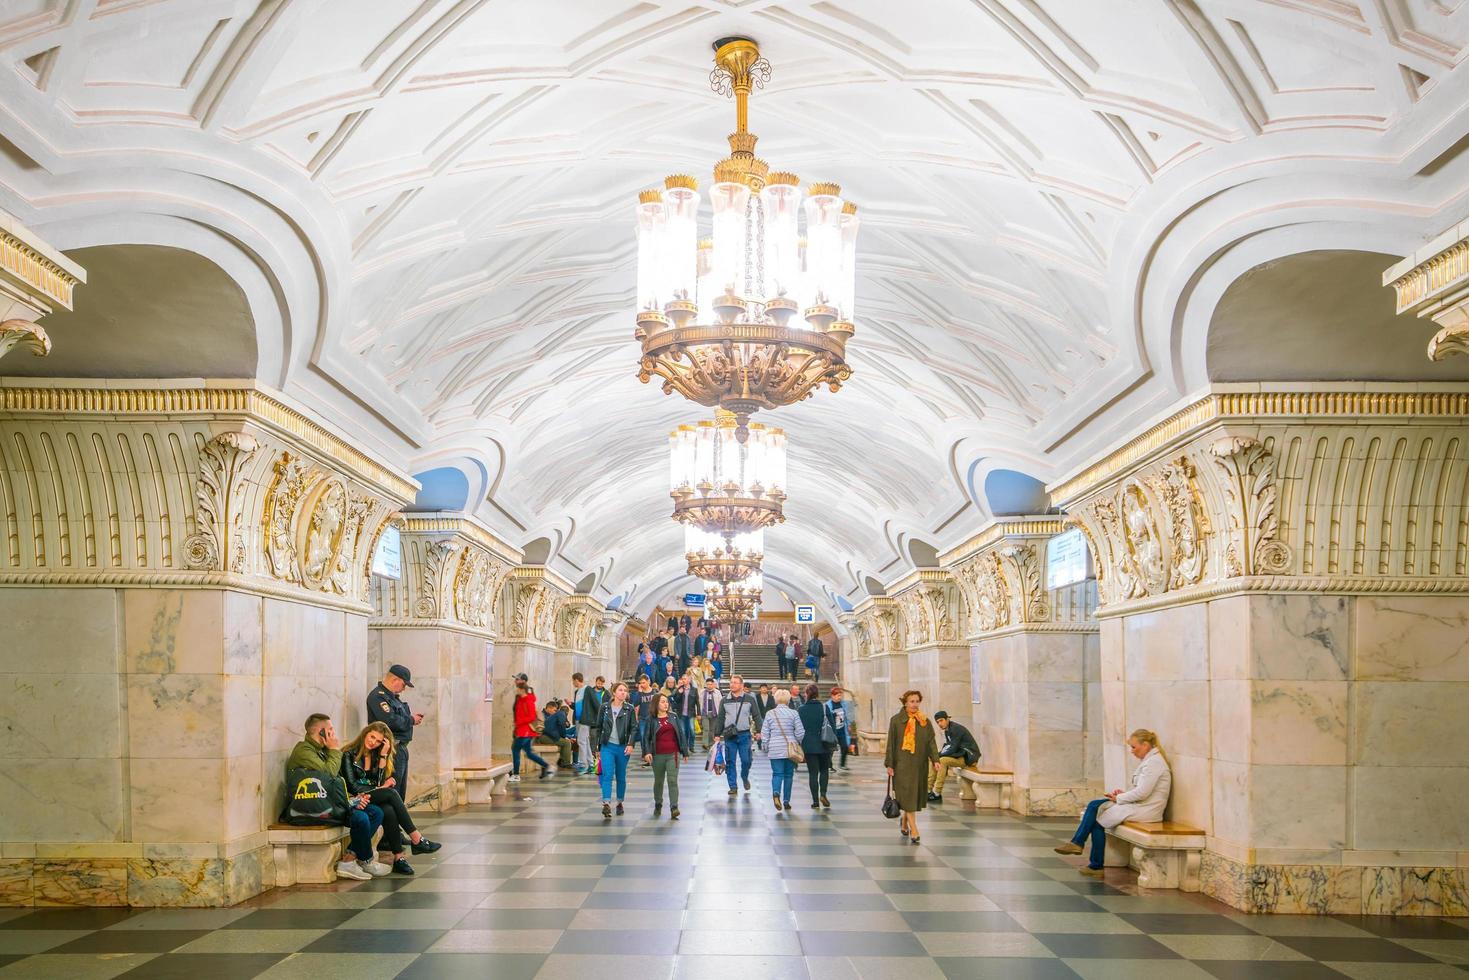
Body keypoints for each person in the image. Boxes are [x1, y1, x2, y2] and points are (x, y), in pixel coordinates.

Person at [1055, 729, 1172, 877]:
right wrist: (1122, 794)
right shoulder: (1150, 761)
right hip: (1139, 805)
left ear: (1146, 745)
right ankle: (1083, 851)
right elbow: (1141, 790)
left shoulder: (1154, 763)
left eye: (1134, 747)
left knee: (1097, 819)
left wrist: (1119, 799)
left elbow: (1143, 793)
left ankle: (1086, 854)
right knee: (1095, 806)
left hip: (1146, 810)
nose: (1132, 751)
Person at [286, 713, 387, 881]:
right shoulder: (304, 750)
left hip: (329, 802)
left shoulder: (323, 751)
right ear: (321, 732)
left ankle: (350, 860)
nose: (334, 733)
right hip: (315, 808)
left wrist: (354, 799)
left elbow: (337, 783)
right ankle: (363, 860)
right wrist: (334, 749)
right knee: (361, 818)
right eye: (331, 729)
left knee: (376, 812)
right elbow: (329, 775)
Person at [340, 722, 442, 874]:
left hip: (367, 797)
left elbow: (378, 783)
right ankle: (417, 839)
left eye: (378, 741)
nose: (373, 742)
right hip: (353, 798)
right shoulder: (348, 754)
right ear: (365, 733)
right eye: (371, 736)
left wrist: (382, 755)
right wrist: (380, 788)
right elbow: (353, 786)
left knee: (388, 809)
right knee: (391, 794)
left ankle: (399, 858)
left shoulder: (375, 754)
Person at [884, 690, 940, 845]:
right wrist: (889, 763)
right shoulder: (896, 721)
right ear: (905, 703)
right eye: (911, 701)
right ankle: (914, 829)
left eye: (917, 701)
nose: (915, 704)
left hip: (919, 764)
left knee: (912, 796)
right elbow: (891, 744)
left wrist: (935, 759)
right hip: (901, 765)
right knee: (907, 795)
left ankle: (904, 821)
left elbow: (931, 742)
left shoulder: (924, 721)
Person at [367, 664, 421, 800]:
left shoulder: (391, 697)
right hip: (391, 749)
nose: (403, 689)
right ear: (394, 680)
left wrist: (410, 719)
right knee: (393, 791)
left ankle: (398, 819)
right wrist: (411, 720)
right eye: (403, 685)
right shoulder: (378, 697)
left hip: (399, 748)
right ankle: (392, 820)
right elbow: (390, 721)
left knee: (400, 791)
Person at [641, 693, 692, 818]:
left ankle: (674, 807)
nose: (666, 704)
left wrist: (685, 752)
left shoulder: (673, 717)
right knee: (659, 781)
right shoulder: (650, 719)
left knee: (672, 780)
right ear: (656, 704)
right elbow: (646, 738)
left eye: (667, 702)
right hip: (657, 755)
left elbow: (681, 734)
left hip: (673, 754)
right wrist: (646, 752)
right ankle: (658, 803)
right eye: (663, 702)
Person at [712, 674, 763, 797]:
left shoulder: (749, 699)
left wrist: (759, 731)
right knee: (730, 762)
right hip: (730, 736)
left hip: (745, 735)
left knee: (746, 760)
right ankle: (733, 786)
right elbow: (720, 718)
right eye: (731, 682)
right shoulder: (724, 700)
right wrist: (717, 734)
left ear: (741, 685)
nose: (732, 684)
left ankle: (744, 777)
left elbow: (757, 715)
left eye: (735, 682)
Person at [596, 681, 638, 818]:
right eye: (620, 690)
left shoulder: (629, 708)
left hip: (622, 747)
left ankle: (620, 802)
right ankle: (606, 803)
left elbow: (634, 728)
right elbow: (598, 727)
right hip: (607, 746)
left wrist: (631, 744)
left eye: (625, 691)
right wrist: (597, 747)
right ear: (614, 692)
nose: (623, 692)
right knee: (607, 774)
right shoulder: (605, 707)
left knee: (621, 776)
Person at [760, 689, 805, 813]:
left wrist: (765, 744)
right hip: (791, 748)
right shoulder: (794, 713)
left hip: (775, 748)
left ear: (775, 699)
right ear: (788, 699)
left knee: (777, 773)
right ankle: (786, 801)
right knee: (788, 775)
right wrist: (796, 741)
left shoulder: (770, 714)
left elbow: (765, 732)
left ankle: (776, 793)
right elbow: (801, 732)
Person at [927, 710, 981, 802]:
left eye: (941, 720)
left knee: (942, 761)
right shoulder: (948, 730)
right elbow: (949, 747)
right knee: (935, 760)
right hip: (960, 756)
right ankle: (928, 790)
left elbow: (952, 748)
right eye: (938, 722)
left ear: (947, 719)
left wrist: (937, 756)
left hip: (969, 758)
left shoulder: (955, 729)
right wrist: (935, 757)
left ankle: (937, 793)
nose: (940, 723)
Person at [797, 683, 832, 809]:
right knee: (824, 771)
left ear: (806, 694)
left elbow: (798, 729)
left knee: (813, 773)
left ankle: (815, 801)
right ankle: (823, 794)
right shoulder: (824, 708)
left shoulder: (801, 709)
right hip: (824, 743)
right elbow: (832, 725)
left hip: (809, 745)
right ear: (817, 694)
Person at [510, 674, 551, 782]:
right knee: (529, 753)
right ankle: (546, 766)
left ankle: (516, 774)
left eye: (517, 680)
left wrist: (518, 723)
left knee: (515, 749)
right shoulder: (521, 698)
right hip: (522, 729)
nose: (516, 689)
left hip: (525, 730)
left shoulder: (527, 699)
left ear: (522, 687)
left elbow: (531, 716)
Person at [576, 675, 604, 775]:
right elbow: (579, 706)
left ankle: (584, 765)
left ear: (576, 680)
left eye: (573, 681)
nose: (573, 683)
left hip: (585, 720)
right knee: (585, 741)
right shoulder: (578, 691)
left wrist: (601, 716)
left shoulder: (587, 689)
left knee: (581, 741)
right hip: (579, 720)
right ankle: (590, 763)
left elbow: (596, 703)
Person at [539, 699, 575, 770]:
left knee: (570, 737)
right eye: (554, 710)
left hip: (550, 735)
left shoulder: (552, 716)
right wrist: (564, 737)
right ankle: (566, 763)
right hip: (544, 736)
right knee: (566, 743)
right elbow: (546, 730)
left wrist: (566, 736)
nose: (555, 712)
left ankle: (562, 760)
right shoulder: (542, 716)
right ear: (549, 708)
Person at [827, 687, 853, 771]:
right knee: (831, 749)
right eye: (838, 695)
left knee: (845, 747)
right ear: (833, 696)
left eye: (840, 695)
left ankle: (842, 764)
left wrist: (848, 725)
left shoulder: (843, 704)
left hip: (842, 729)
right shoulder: (828, 705)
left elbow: (846, 716)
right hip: (833, 731)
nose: (840, 697)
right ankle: (829, 765)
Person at [671, 672, 698, 747]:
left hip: (691, 713)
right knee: (683, 731)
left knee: (692, 730)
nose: (683, 680)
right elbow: (676, 700)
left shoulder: (694, 690)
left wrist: (698, 713)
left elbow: (697, 702)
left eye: (685, 679)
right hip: (681, 714)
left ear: (689, 680)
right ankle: (685, 746)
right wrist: (679, 693)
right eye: (682, 679)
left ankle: (691, 745)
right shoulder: (679, 689)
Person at [699, 676, 723, 750]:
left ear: (713, 684)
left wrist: (720, 713)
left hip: (714, 713)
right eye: (708, 684)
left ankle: (711, 744)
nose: (709, 685)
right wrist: (698, 713)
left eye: (710, 684)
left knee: (712, 729)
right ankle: (705, 744)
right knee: (706, 728)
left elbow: (721, 703)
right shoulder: (702, 692)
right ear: (706, 684)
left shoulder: (717, 692)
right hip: (705, 713)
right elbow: (699, 703)